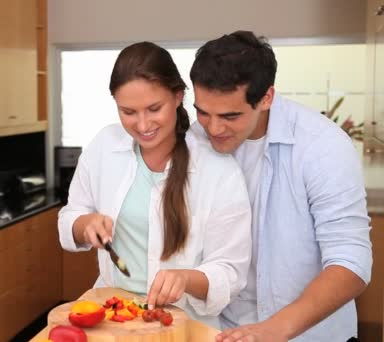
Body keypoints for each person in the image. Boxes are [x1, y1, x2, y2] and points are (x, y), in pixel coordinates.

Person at [189, 31, 372, 341]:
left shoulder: (322, 146)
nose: (214, 128)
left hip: (308, 335)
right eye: (203, 112)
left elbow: (351, 263)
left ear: (267, 98)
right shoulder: (194, 140)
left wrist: (273, 330)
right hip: (221, 332)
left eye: (230, 115)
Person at [58, 41, 252, 328]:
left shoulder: (218, 169)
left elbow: (229, 272)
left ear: (178, 96)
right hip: (114, 319)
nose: (142, 124)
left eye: (154, 108)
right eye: (128, 112)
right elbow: (70, 217)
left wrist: (184, 278)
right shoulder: (103, 147)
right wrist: (85, 224)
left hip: (184, 326)